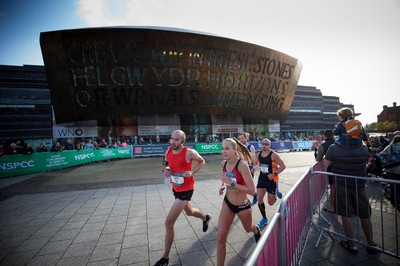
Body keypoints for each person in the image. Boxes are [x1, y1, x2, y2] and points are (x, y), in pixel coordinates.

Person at [154, 130, 211, 266]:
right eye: (172, 139)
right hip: (176, 187)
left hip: (186, 189)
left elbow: (202, 161)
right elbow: (165, 164)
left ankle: (165, 258)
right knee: (190, 212)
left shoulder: (188, 152)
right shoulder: (168, 150)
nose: (173, 142)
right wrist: (166, 170)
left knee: (169, 223)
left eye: (177, 139)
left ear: (182, 141)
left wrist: (192, 172)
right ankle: (205, 218)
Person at [324, 141, 379, 254]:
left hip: (341, 185)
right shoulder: (363, 147)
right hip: (359, 185)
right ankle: (370, 244)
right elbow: (366, 163)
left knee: (346, 215)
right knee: (364, 215)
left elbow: (326, 163)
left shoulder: (334, 148)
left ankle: (351, 244)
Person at [217, 137, 261, 266]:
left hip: (242, 206)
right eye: (222, 148)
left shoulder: (242, 165)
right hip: (227, 203)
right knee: (220, 238)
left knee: (248, 229)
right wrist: (223, 186)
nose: (224, 151)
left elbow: (252, 190)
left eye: (227, 148)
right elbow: (225, 179)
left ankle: (256, 230)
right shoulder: (223, 163)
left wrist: (230, 182)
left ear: (235, 149)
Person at [254, 138, 286, 228]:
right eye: (262, 144)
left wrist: (274, 174)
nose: (264, 145)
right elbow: (256, 163)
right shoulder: (258, 154)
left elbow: (283, 166)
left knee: (271, 203)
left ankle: (275, 194)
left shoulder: (274, 155)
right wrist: (253, 167)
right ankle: (264, 219)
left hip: (271, 181)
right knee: (259, 199)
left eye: (266, 144)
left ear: (270, 145)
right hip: (262, 180)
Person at [316, 129, 336, 213]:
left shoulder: (322, 146)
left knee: (333, 188)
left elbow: (318, 159)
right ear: (332, 135)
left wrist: (316, 151)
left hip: (332, 169)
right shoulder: (339, 142)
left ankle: (332, 207)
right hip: (344, 168)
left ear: (324, 136)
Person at [377, 134, 400, 206]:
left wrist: (386, 161)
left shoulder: (391, 146)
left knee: (393, 187)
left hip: (391, 170)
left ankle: (394, 201)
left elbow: (380, 155)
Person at [238, 132, 258, 205]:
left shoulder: (251, 147)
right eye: (239, 138)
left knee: (248, 186)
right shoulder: (238, 147)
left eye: (242, 138)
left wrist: (253, 168)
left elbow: (253, 159)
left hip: (248, 169)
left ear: (246, 138)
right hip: (240, 169)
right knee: (241, 185)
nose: (240, 140)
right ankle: (245, 200)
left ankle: (255, 195)